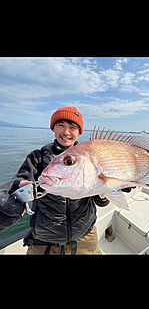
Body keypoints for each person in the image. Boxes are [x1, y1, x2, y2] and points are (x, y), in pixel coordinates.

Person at [9, 106, 110, 255]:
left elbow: (101, 201)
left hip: (84, 237)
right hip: (44, 239)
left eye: (72, 127)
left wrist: (110, 188)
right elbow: (18, 182)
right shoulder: (38, 157)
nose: (66, 132)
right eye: (61, 125)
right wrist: (20, 188)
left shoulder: (92, 158)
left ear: (79, 132)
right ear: (53, 128)